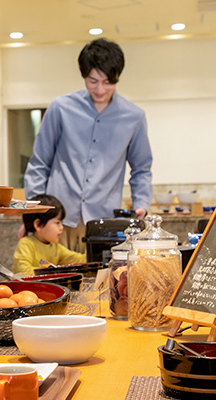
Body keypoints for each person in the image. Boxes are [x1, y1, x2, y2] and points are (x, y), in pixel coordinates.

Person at [24, 38, 153, 253]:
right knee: (52, 283)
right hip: (57, 221)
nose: (100, 89)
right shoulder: (60, 108)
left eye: (107, 82)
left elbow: (141, 169)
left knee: (100, 284)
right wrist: (32, 216)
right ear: (84, 75)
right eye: (93, 81)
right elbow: (39, 163)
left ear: (117, 78)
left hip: (103, 224)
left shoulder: (134, 117)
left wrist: (141, 204)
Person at [13, 194, 86, 275]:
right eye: (57, 223)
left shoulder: (56, 247)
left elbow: (79, 260)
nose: (61, 227)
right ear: (38, 224)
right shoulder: (26, 244)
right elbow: (23, 271)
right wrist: (53, 272)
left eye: (62, 223)